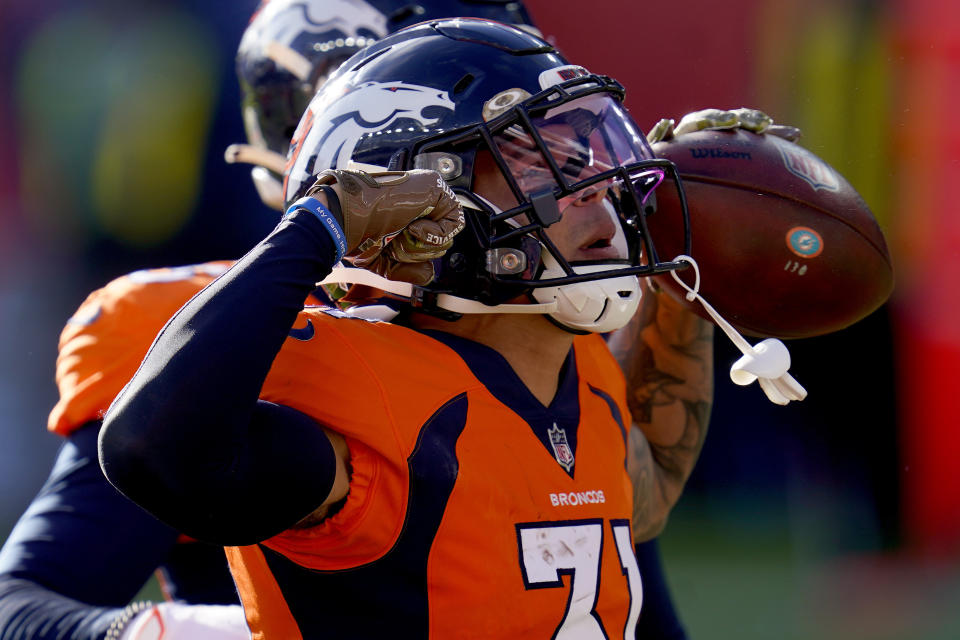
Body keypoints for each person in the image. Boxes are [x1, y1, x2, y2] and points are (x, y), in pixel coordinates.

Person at [99, 19, 713, 638]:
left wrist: (703, 286)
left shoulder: (581, 374)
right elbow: (152, 452)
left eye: (585, 161)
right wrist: (320, 225)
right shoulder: (373, 394)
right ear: (416, 191)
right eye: (537, 163)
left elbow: (646, 484)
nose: (596, 191)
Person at [0, 3, 553, 640]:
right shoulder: (211, 335)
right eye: (510, 137)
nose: (555, 168)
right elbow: (26, 612)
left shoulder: (547, 326)